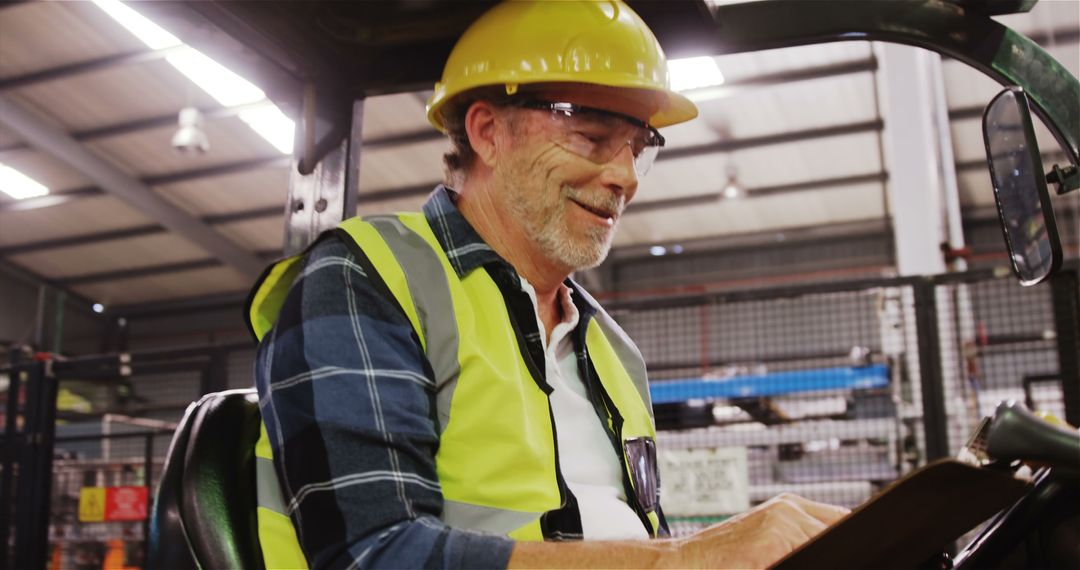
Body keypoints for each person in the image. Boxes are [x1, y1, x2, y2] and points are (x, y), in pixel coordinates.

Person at [245, 1, 848, 568]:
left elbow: (635, 544)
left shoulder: (615, 354)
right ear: (487, 132)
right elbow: (374, 554)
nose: (624, 178)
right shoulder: (368, 277)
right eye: (590, 136)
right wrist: (689, 560)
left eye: (639, 148)